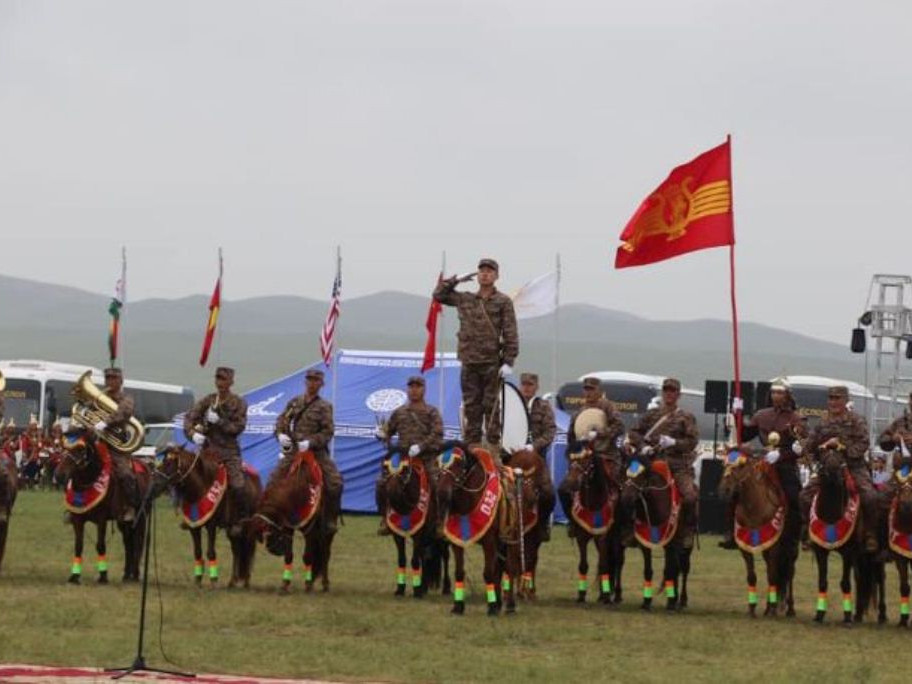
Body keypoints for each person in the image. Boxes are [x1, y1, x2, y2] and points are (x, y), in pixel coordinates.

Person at [433, 258, 519, 452]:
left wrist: (508, 361)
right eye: (482, 271)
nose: (485, 274)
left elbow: (510, 332)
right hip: (469, 361)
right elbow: (438, 295)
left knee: (491, 408)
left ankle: (493, 449)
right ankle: (472, 449)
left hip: (491, 363)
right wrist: (455, 280)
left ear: (496, 276)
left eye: (490, 271)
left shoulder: (502, 301)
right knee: (471, 408)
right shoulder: (465, 299)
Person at [719, 378, 808, 549]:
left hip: (785, 464)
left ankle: (798, 535)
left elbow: (802, 447)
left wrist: (781, 454)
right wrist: (737, 414)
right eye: (774, 392)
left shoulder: (797, 418)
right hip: (762, 462)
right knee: (735, 490)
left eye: (780, 392)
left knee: (794, 496)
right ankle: (731, 533)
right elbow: (744, 435)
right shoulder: (761, 415)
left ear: (788, 395)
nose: (776, 395)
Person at [798, 385, 879, 553]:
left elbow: (863, 443)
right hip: (827, 468)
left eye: (837, 399)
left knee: (870, 496)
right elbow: (811, 447)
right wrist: (807, 449)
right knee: (804, 496)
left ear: (845, 400)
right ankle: (808, 530)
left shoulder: (857, 420)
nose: (833, 402)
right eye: (831, 398)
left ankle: (871, 534)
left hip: (853, 467)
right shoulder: (822, 422)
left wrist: (842, 448)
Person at [627, 378, 700, 549]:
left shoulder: (686, 417)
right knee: (627, 489)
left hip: (677, 464)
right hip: (650, 462)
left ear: (678, 395)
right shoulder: (651, 415)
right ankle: (629, 529)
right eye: (666, 390)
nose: (669, 394)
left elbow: (692, 442)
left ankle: (687, 532)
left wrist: (674, 443)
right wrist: (643, 446)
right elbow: (634, 433)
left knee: (690, 496)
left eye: (672, 391)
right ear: (662, 392)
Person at [274, 368, 342, 534]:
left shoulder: (325, 406)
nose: (312, 383)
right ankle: (272, 518)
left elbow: (328, 432)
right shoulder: (295, 402)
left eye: (316, 381)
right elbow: (281, 421)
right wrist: (280, 434)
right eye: (309, 380)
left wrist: (311, 442)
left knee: (335, 483)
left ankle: (330, 520)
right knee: (275, 480)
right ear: (305, 382)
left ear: (321, 384)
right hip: (294, 452)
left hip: (316, 453)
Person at [183, 366, 250, 537]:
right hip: (207, 451)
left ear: (231, 382)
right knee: (187, 477)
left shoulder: (239, 403)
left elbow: (238, 428)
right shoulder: (208, 400)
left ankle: (240, 520)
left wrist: (219, 421)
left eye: (224, 379)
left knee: (238, 485)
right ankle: (191, 516)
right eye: (218, 379)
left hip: (229, 452)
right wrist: (193, 434)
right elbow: (190, 418)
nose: (220, 383)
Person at [374, 375, 443, 535]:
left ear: (424, 389)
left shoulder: (432, 412)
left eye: (418, 386)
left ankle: (440, 521)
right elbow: (388, 430)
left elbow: (437, 433)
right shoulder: (399, 412)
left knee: (437, 484)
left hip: (426, 458)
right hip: (404, 459)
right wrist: (381, 433)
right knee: (381, 483)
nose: (414, 390)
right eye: (411, 387)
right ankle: (385, 519)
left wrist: (422, 446)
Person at [559, 377, 626, 538]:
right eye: (586, 389)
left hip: (606, 456)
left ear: (599, 391)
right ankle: (573, 522)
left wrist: (600, 433)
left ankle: (623, 525)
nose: (588, 392)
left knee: (623, 490)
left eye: (592, 389)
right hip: (584, 458)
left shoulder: (607, 407)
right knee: (564, 488)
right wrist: (575, 449)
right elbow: (571, 437)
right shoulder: (579, 412)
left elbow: (619, 426)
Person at [91, 368, 142, 520]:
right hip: (99, 444)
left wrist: (105, 422)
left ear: (121, 381)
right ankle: (76, 507)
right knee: (77, 464)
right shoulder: (99, 397)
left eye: (114, 379)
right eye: (108, 379)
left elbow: (124, 413)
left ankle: (130, 506)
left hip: (117, 447)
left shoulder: (126, 398)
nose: (110, 382)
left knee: (126, 475)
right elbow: (87, 409)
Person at [516, 372, 557, 541]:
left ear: (536, 387)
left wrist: (534, 446)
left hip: (536, 458)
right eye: (524, 384)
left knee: (548, 493)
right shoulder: (513, 404)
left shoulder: (544, 406)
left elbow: (550, 432)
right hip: (514, 457)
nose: (527, 387)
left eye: (530, 385)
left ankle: (543, 524)